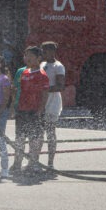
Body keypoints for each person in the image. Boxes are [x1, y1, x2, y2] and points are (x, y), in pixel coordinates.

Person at [9, 46, 50, 175]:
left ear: (39, 58)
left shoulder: (42, 75)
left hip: (34, 111)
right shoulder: (24, 72)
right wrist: (14, 107)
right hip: (22, 110)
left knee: (34, 138)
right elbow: (18, 91)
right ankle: (17, 162)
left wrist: (40, 110)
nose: (27, 59)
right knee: (20, 138)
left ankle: (33, 163)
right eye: (26, 56)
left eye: (30, 56)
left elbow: (45, 94)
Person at [38, 41, 66, 170]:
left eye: (45, 51)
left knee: (50, 132)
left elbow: (60, 86)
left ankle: (50, 163)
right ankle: (35, 161)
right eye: (42, 51)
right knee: (38, 133)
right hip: (41, 101)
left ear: (52, 52)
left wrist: (44, 89)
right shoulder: (42, 64)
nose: (43, 54)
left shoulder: (58, 66)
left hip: (53, 101)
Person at [0, 56, 14, 179]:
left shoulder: (4, 78)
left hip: (0, 109)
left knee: (0, 139)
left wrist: (0, 112)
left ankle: (4, 167)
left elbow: (6, 98)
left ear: (1, 64)